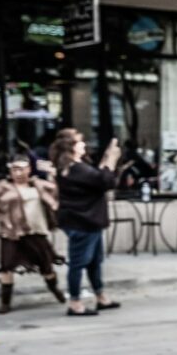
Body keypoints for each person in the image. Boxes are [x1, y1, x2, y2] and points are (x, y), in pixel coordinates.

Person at [0, 154, 66, 314]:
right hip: (12, 232)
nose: (18, 173)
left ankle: (55, 290)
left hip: (36, 231)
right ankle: (5, 303)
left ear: (29, 169)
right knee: (6, 267)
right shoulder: (4, 185)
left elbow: (55, 191)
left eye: (21, 169)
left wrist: (52, 174)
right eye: (14, 169)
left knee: (46, 266)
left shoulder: (38, 184)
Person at [49, 129, 122, 316]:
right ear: (72, 147)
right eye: (80, 142)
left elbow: (97, 179)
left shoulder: (71, 167)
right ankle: (75, 303)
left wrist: (106, 160)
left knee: (94, 262)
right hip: (83, 222)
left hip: (86, 221)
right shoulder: (76, 169)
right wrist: (111, 159)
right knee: (78, 263)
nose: (84, 144)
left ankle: (101, 297)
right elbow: (106, 182)